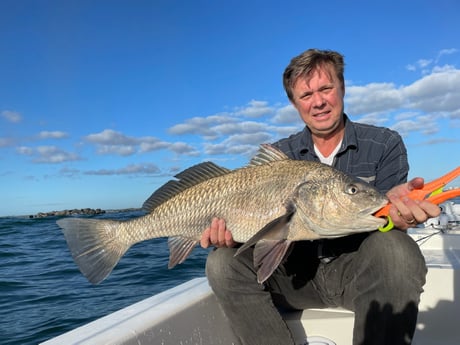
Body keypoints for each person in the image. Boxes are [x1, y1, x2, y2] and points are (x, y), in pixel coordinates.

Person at [200, 49, 440, 345]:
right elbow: (257, 225)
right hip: (291, 277)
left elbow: (388, 221)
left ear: (342, 87)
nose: (318, 102)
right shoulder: (280, 157)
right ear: (294, 103)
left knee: (395, 247)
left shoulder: (384, 143)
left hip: (357, 276)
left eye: (326, 88)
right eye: (306, 95)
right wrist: (231, 235)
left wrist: (395, 212)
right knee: (222, 262)